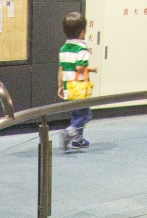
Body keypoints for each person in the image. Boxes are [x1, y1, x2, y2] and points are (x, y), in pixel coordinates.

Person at [57, 11, 95, 151]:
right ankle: (70, 132)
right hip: (79, 87)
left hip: (68, 86)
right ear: (82, 31)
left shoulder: (63, 48)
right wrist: (91, 69)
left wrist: (60, 86)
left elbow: (61, 68)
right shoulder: (82, 48)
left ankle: (78, 140)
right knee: (86, 114)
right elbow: (79, 67)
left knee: (76, 113)